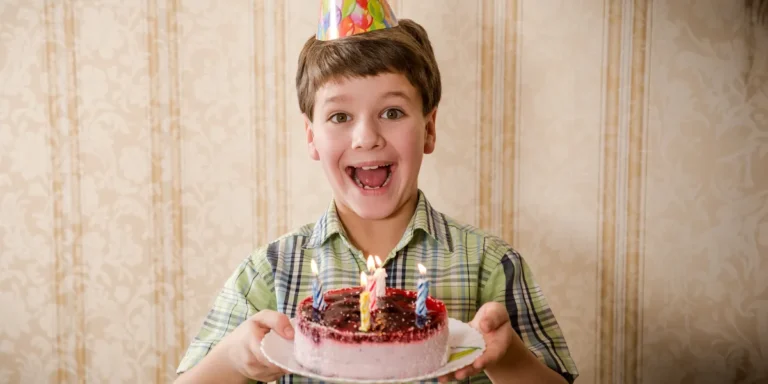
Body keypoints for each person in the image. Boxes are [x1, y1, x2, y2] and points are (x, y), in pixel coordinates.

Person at [174, 0, 578, 383]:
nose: (366, 137)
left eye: (392, 112)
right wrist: (232, 358)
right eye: (340, 116)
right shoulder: (270, 274)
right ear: (311, 137)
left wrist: (508, 357)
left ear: (430, 128)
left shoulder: (491, 268)